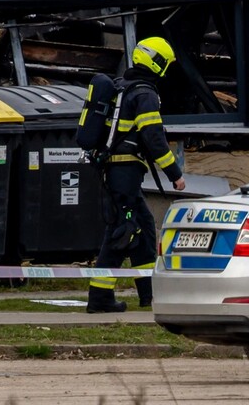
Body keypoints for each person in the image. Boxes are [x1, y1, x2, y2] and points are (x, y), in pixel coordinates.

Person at [87, 36, 187, 314]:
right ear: (157, 64)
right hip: (124, 173)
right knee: (122, 231)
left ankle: (148, 293)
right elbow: (153, 137)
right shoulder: (144, 94)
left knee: (142, 228)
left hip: (119, 172)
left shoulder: (123, 87)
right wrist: (174, 173)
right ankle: (100, 297)